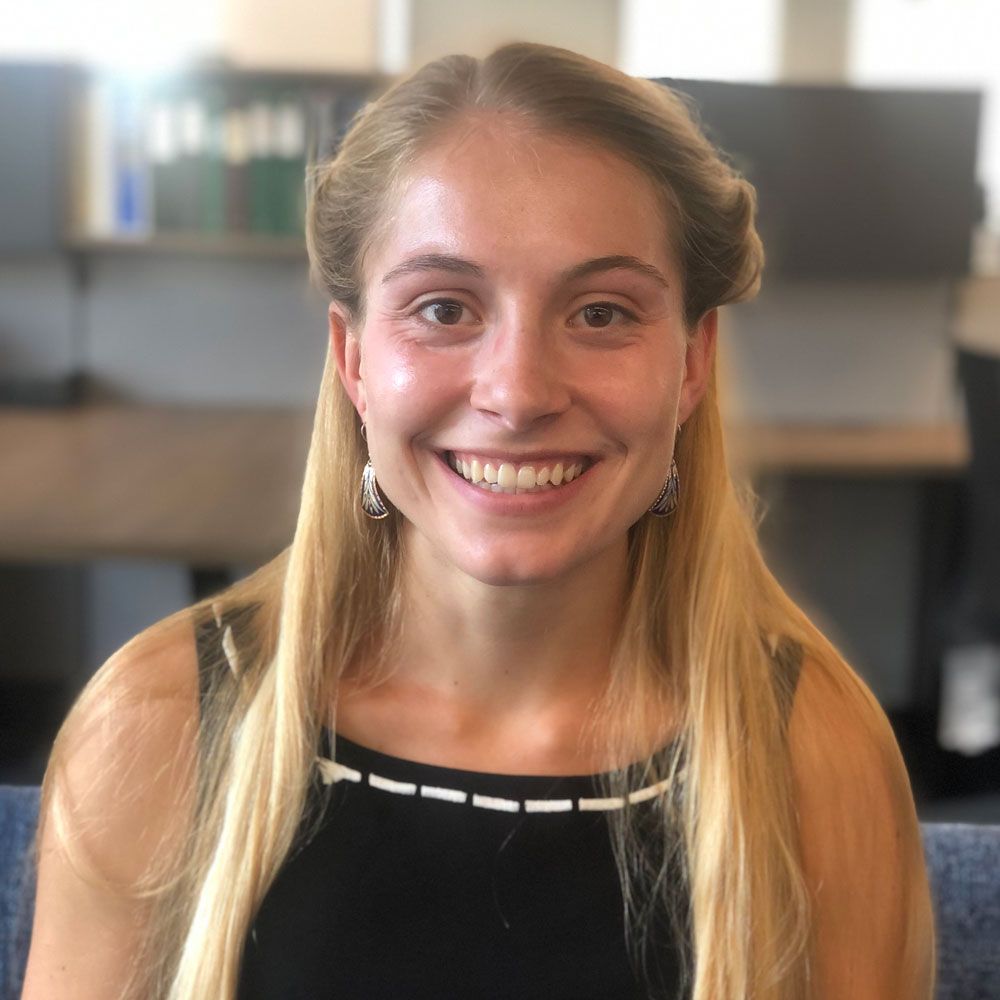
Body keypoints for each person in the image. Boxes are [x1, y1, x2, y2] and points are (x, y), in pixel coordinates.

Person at [22, 42, 935, 1000]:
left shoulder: (807, 752)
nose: (518, 392)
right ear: (355, 358)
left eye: (601, 314)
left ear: (692, 364)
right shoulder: (156, 730)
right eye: (445, 306)